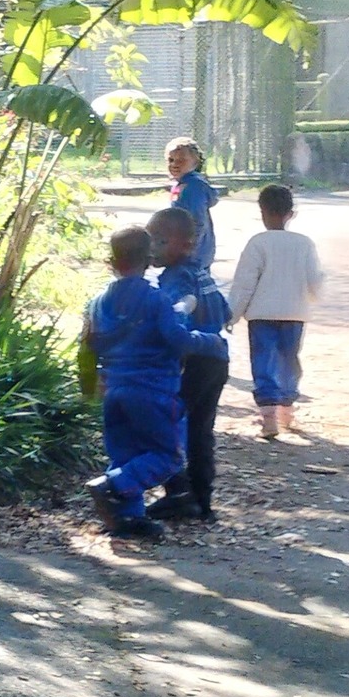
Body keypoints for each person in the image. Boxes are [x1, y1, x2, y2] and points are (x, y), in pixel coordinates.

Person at [84, 225, 226, 540]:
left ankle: (128, 519)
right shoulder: (155, 300)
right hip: (153, 391)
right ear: (148, 259)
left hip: (114, 391)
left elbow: (88, 345)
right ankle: (113, 486)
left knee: (124, 454)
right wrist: (209, 340)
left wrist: (89, 386)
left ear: (111, 261)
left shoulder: (96, 303)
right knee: (169, 456)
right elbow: (177, 338)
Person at [148, 206, 230, 522]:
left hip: (193, 362)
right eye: (150, 239)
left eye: (161, 241)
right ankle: (202, 500)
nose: (153, 247)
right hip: (217, 362)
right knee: (200, 431)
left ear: (186, 245)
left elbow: (174, 313)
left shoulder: (177, 276)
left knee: (164, 425)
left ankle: (178, 492)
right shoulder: (202, 273)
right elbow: (224, 312)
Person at [228, 183, 323, 439]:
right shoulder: (304, 244)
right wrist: (312, 300)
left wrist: (232, 314)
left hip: (262, 315)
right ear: (290, 213)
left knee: (263, 360)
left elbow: (245, 283)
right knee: (289, 359)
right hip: (294, 313)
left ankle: (268, 416)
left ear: (262, 211)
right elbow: (315, 280)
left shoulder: (258, 243)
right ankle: (287, 411)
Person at [166, 137, 221, 270]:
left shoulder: (193, 187)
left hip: (193, 255)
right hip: (191, 252)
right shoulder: (183, 184)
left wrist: (187, 249)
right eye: (171, 160)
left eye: (181, 160)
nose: (174, 164)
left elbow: (197, 221)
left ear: (195, 162)